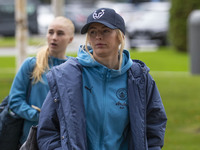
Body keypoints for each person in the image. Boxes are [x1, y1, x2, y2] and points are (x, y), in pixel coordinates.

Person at [37, 8, 167, 150]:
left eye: (105, 31)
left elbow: (155, 126)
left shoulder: (139, 77)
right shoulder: (67, 75)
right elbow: (47, 131)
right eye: (92, 32)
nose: (98, 36)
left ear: (120, 36)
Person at [8, 16, 75, 146]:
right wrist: (39, 116)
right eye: (51, 32)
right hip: (31, 140)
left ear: (71, 39)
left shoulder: (74, 69)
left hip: (61, 142)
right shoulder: (31, 64)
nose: (54, 37)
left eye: (60, 33)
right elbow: (15, 101)